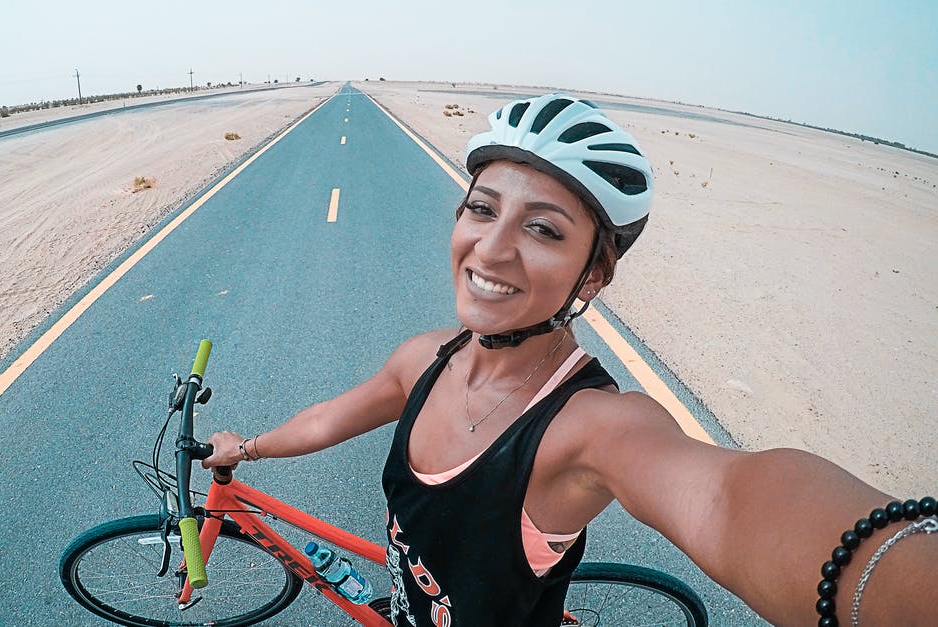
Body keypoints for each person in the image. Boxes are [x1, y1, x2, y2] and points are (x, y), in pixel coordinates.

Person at [202, 93, 936, 626]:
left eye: (544, 229)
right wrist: (251, 446)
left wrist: (905, 573)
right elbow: (335, 412)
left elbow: (729, 499)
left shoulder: (591, 426)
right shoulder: (423, 358)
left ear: (590, 276)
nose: (490, 248)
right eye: (483, 208)